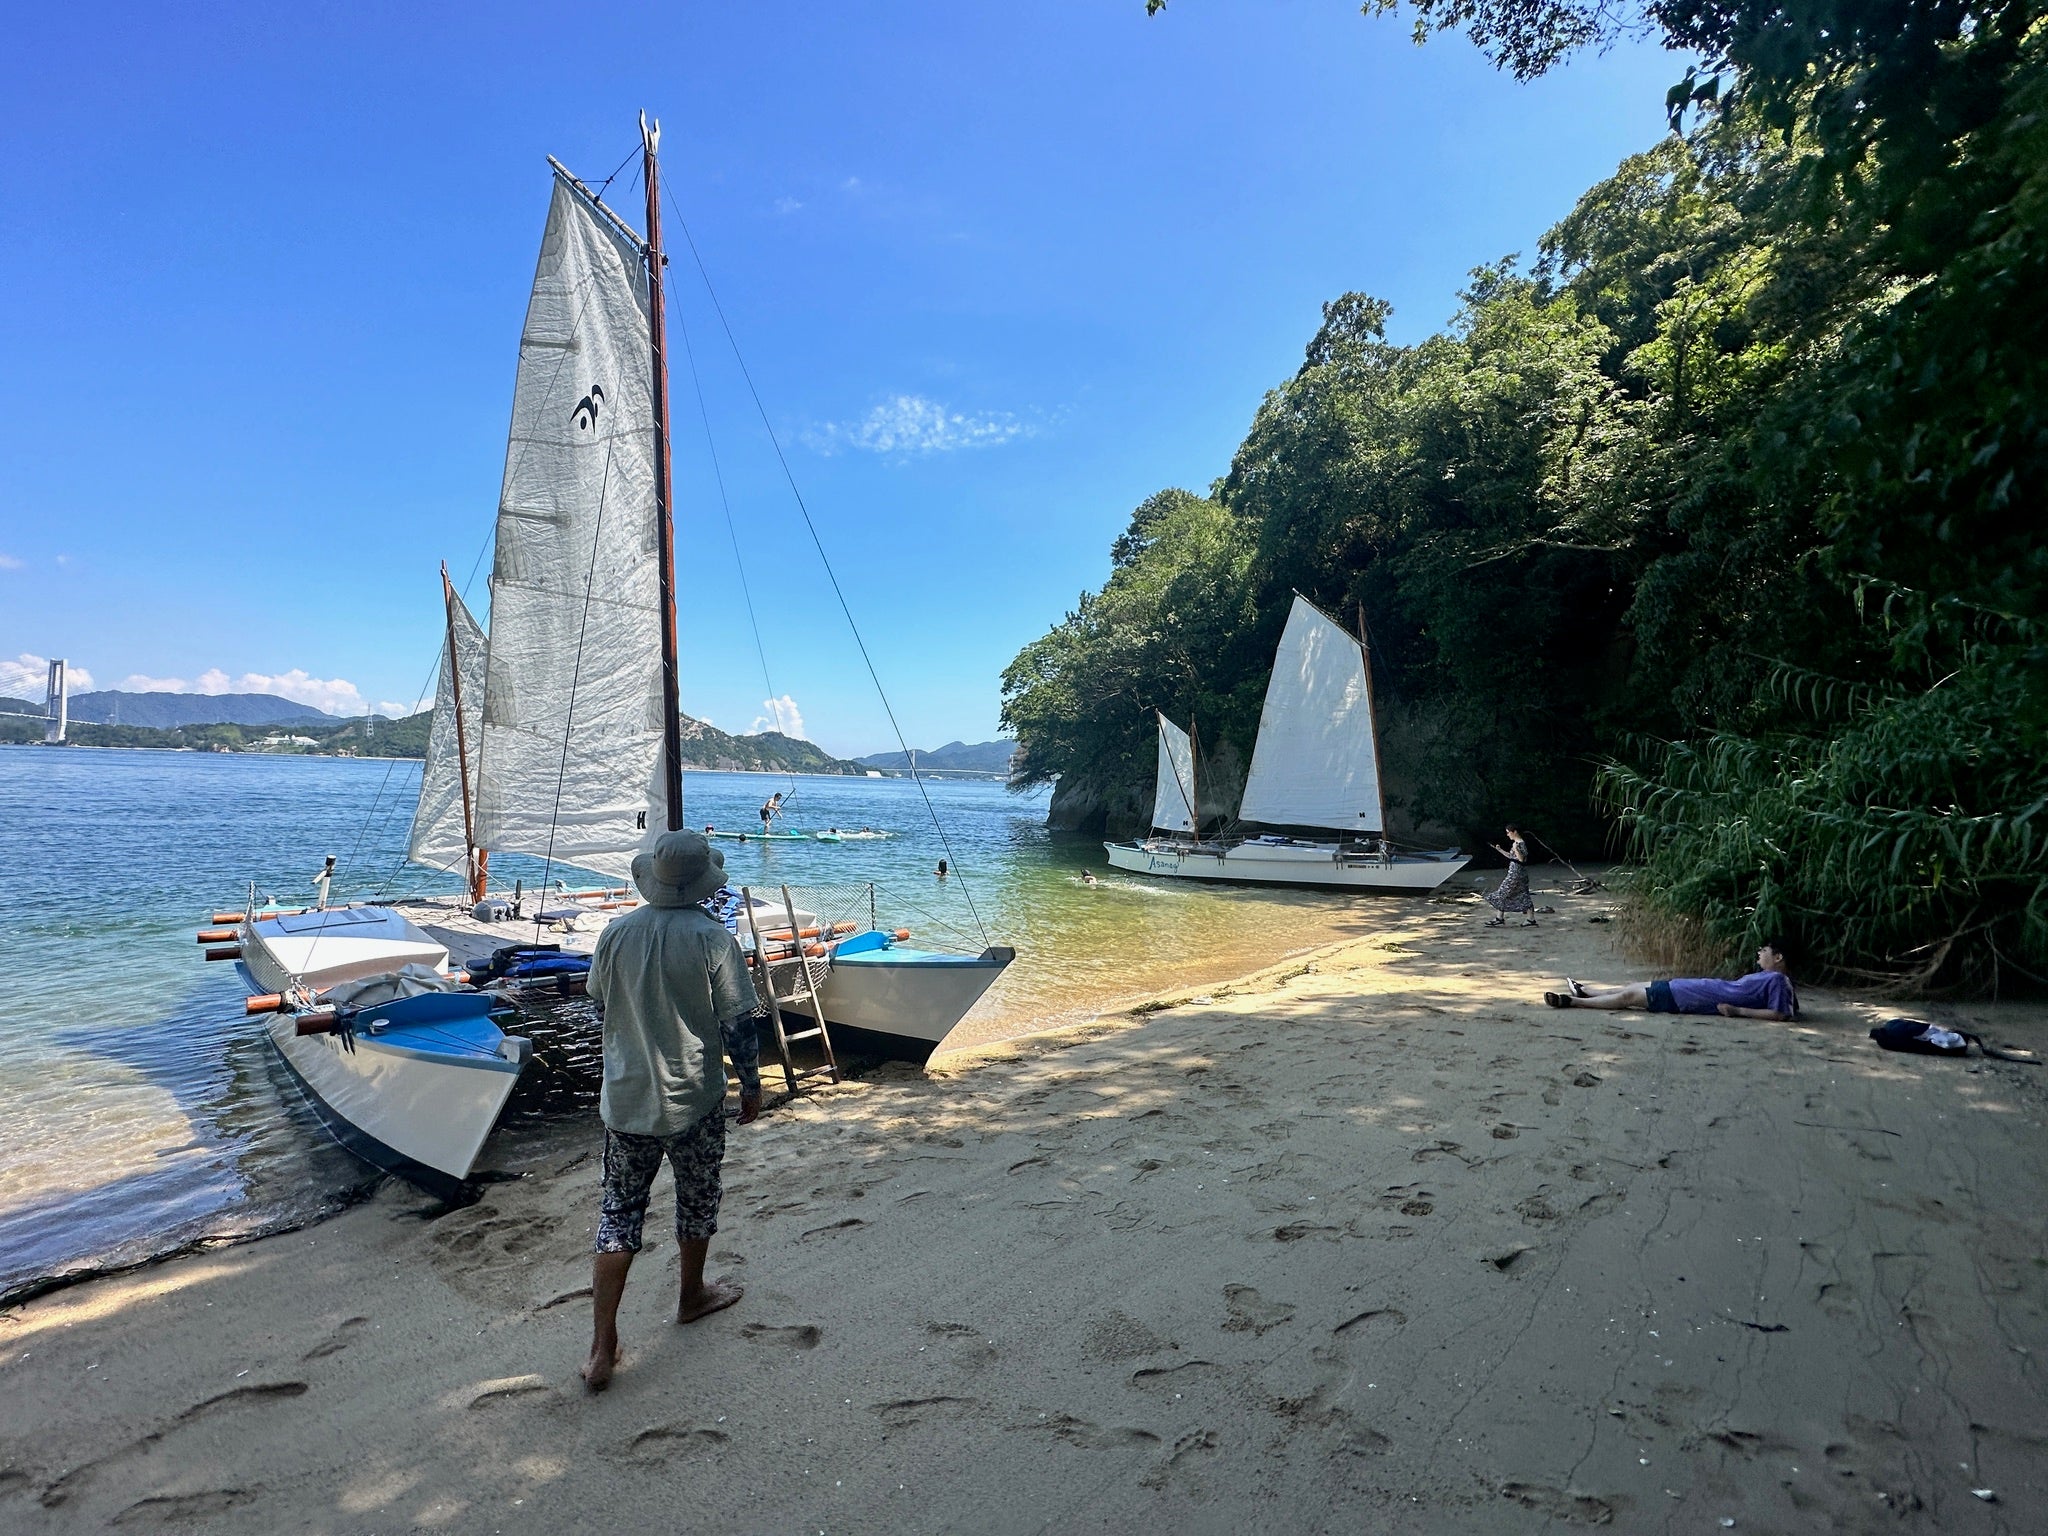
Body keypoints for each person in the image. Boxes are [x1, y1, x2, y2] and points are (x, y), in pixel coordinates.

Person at [581, 830, 763, 1392]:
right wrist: (751, 1086)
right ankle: (691, 1296)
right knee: (698, 1198)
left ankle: (601, 1345)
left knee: (619, 1212)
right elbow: (737, 1024)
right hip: (694, 1098)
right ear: (704, 883)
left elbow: (598, 1006)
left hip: (628, 1100)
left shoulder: (614, 934)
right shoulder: (713, 939)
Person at [1544, 940, 1799, 1021]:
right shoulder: (1772, 978)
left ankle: (1573, 1001)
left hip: (1693, 997)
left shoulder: (1778, 980)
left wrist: (1738, 1010)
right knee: (1635, 987)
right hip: (1694, 990)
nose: (1759, 953)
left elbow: (1782, 1014)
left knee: (1629, 998)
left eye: (1764, 951)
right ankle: (1586, 990)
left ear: (1778, 957)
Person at [1483, 825, 1536, 927]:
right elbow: (1512, 857)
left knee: (1504, 892)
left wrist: (1516, 848)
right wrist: (1500, 850)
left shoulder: (1520, 843)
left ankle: (1500, 918)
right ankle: (1530, 919)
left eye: (1508, 832)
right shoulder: (1517, 843)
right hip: (1517, 873)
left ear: (1514, 831)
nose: (1507, 835)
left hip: (1516, 874)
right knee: (1522, 894)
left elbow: (1521, 859)